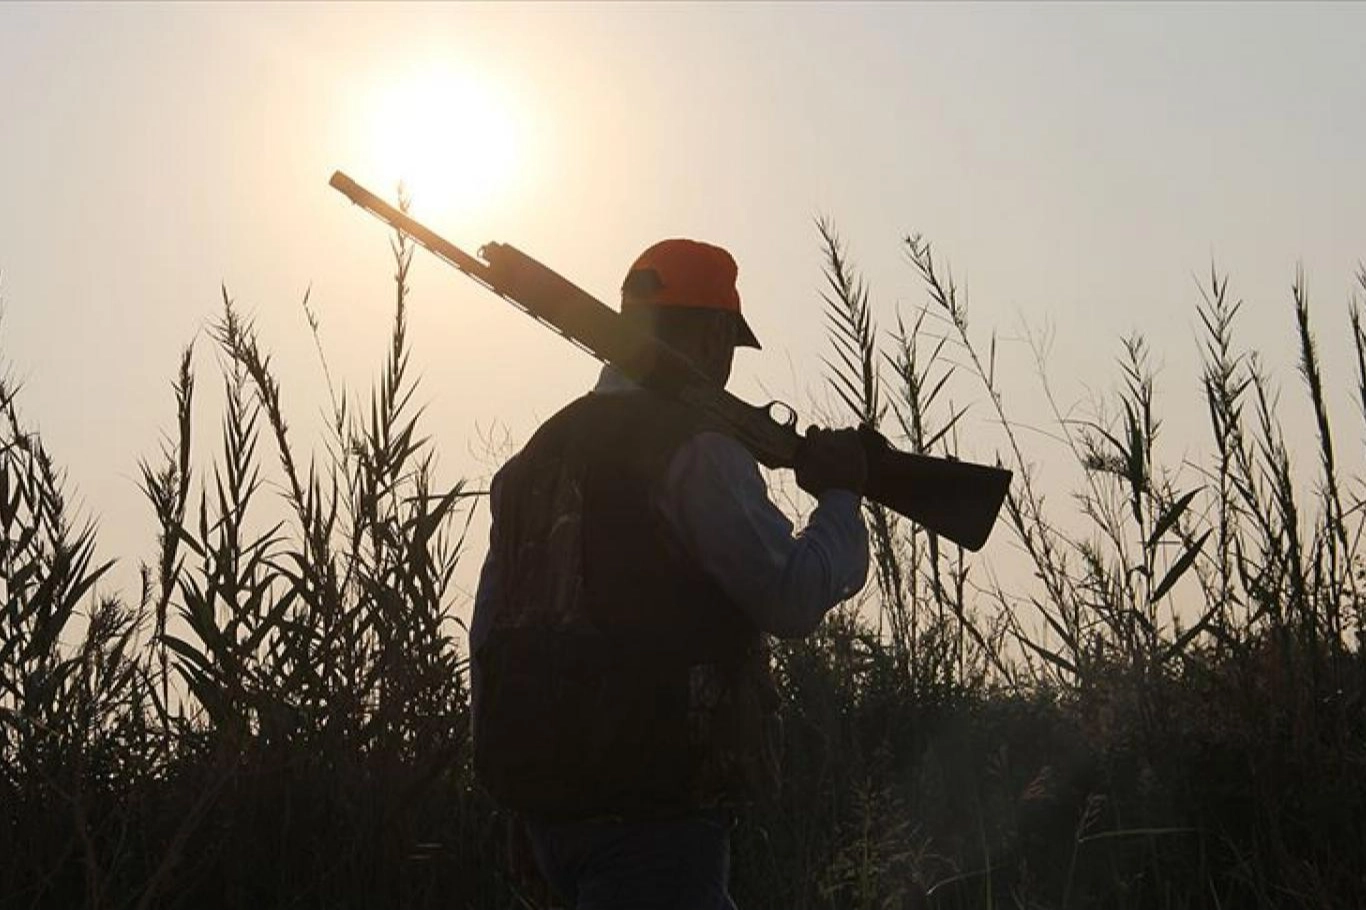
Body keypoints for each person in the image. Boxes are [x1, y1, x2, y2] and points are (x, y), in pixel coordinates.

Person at [470, 238, 870, 911]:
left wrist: (518, 801)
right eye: (726, 343)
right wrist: (841, 496)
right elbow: (793, 597)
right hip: (655, 816)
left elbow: (492, 639)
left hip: (552, 820)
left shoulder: (533, 460)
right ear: (714, 335)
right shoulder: (695, 449)